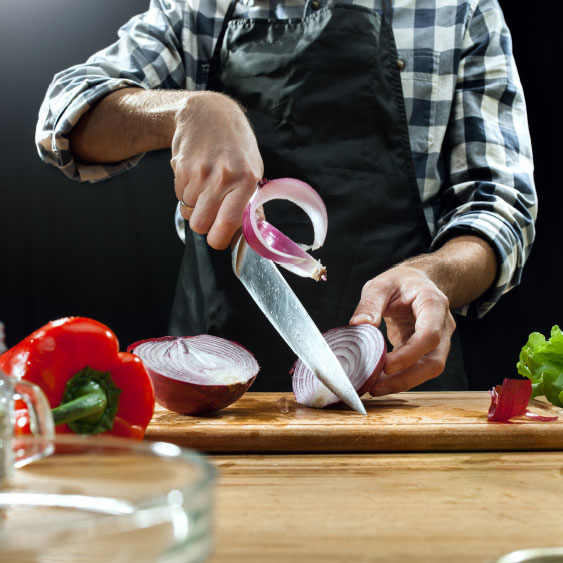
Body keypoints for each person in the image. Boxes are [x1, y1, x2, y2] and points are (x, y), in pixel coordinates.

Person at [35, 0, 536, 395]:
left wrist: (433, 275)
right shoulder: (199, 9)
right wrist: (187, 110)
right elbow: (65, 112)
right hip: (215, 394)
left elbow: (500, 206)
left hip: (397, 380)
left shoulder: (460, 11)